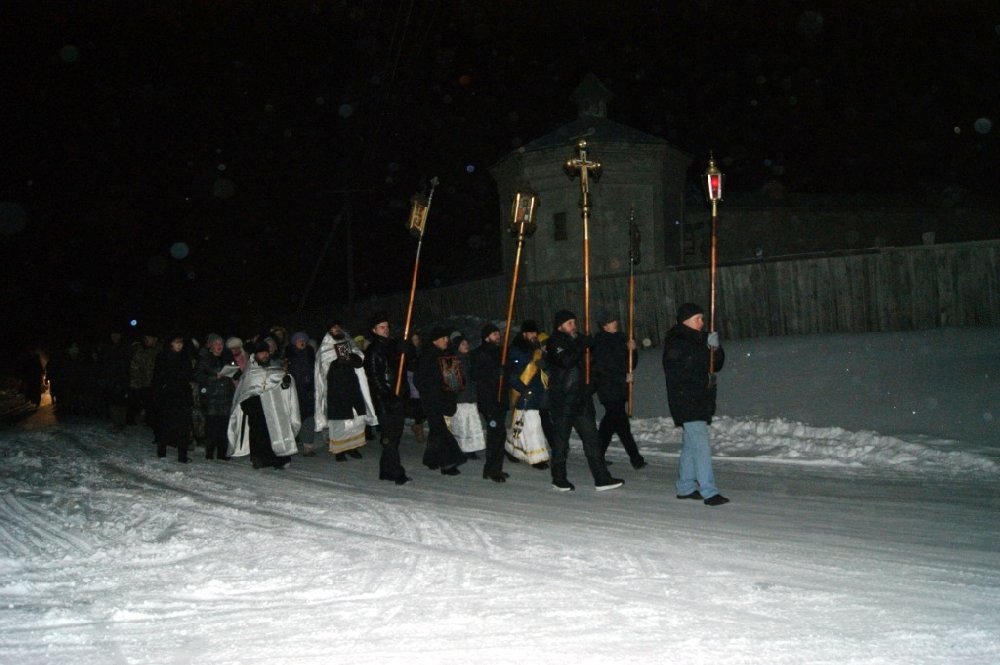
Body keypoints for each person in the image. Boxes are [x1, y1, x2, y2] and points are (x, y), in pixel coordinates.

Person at [545, 310, 623, 492]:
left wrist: (591, 386)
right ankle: (559, 478)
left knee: (592, 439)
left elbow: (594, 367)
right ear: (560, 326)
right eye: (569, 323)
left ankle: (602, 478)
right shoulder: (554, 342)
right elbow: (566, 360)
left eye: (574, 322)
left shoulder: (580, 340)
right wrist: (581, 346)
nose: (574, 325)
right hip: (563, 400)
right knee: (561, 441)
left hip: (582, 400)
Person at [662, 302, 729, 506]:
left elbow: (716, 365)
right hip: (686, 399)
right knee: (700, 445)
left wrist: (715, 349)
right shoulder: (676, 341)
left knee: (691, 446)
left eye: (702, 318)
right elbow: (684, 369)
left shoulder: (701, 339)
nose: (702, 322)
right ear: (686, 321)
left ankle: (685, 486)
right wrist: (704, 348)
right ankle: (709, 491)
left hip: (702, 397)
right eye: (697, 319)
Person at [228, 340, 299, 469]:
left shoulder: (276, 369)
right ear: (255, 355)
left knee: (276, 431)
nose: (265, 355)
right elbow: (243, 391)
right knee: (258, 433)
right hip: (256, 406)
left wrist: (286, 383)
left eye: (266, 353)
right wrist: (247, 404)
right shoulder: (250, 372)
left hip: (274, 406)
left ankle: (279, 458)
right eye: (261, 353)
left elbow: (283, 388)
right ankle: (259, 458)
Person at [315, 320, 376, 461]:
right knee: (339, 421)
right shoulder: (325, 346)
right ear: (329, 331)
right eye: (333, 328)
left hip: (351, 385)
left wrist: (352, 358)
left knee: (355, 418)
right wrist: (338, 361)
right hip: (336, 388)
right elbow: (323, 366)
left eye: (338, 327)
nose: (336, 329)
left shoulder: (348, 342)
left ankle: (352, 447)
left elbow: (359, 358)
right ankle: (340, 450)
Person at [593, 311, 646, 469]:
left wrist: (632, 350)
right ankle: (636, 459)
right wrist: (622, 377)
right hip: (608, 388)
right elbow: (604, 368)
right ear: (604, 326)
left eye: (615, 320)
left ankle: (597, 455)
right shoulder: (600, 342)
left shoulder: (622, 338)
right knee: (621, 424)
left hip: (620, 388)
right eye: (611, 321)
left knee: (610, 424)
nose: (615, 323)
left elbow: (631, 363)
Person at [363, 313, 411, 485]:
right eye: (382, 327)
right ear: (374, 330)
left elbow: (405, 364)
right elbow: (375, 377)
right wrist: (388, 396)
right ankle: (397, 472)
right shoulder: (373, 350)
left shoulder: (393, 346)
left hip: (398, 396)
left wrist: (407, 349)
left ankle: (385, 470)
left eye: (387, 326)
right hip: (385, 400)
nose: (386, 330)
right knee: (390, 436)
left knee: (395, 436)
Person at [414, 326, 467, 475]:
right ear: (434, 340)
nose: (446, 340)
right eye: (443, 338)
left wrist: (458, 381)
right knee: (440, 430)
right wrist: (432, 388)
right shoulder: (427, 356)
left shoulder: (447, 355)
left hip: (444, 399)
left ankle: (431, 459)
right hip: (432, 399)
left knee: (436, 431)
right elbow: (419, 379)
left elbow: (454, 381)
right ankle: (448, 463)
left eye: (446, 337)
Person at [504, 320, 551, 468]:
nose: (533, 335)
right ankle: (536, 459)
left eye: (535, 332)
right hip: (523, 391)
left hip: (537, 392)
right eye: (530, 332)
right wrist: (522, 389)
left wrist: (545, 363)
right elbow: (513, 373)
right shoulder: (516, 349)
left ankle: (511, 448)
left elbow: (545, 369)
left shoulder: (537, 348)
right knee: (532, 425)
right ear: (524, 334)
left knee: (521, 425)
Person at [471, 323, 509, 483]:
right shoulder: (479, 353)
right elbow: (475, 374)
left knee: (499, 434)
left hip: (500, 400)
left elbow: (508, 369)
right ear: (487, 337)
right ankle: (493, 470)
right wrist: (494, 372)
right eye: (494, 334)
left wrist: (505, 371)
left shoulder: (501, 352)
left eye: (498, 334)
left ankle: (492, 468)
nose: (498, 336)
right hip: (489, 401)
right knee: (496, 434)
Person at [152, 334, 194, 463]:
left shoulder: (185, 357)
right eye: (176, 342)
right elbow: (159, 375)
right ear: (171, 343)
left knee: (183, 425)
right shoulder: (163, 356)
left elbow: (189, 374)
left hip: (182, 395)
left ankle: (182, 455)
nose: (179, 345)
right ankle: (162, 449)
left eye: (181, 342)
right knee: (165, 423)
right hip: (168, 395)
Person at [194, 333, 237, 460]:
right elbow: (197, 376)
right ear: (210, 346)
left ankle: (222, 453)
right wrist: (214, 377)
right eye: (216, 344)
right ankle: (210, 452)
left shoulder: (227, 357)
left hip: (226, 397)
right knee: (212, 426)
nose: (219, 346)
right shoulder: (204, 359)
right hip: (211, 397)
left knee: (224, 426)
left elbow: (237, 373)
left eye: (221, 344)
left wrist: (234, 370)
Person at [450, 335, 486, 459]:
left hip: (471, 397)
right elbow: (452, 382)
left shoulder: (470, 359)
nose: (466, 346)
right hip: (460, 399)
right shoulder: (453, 361)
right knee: (462, 425)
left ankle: (471, 448)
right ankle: (460, 448)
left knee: (472, 424)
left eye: (466, 343)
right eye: (462, 344)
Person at [285, 331, 317, 455]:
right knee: (294, 415)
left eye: (303, 340)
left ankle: (308, 446)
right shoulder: (289, 356)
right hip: (294, 390)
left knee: (308, 417)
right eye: (299, 340)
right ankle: (293, 441)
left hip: (308, 389)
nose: (301, 342)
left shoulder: (310, 354)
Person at [129, 333, 161, 437]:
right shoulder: (140, 349)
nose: (146, 340)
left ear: (155, 339)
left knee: (152, 405)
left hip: (154, 384)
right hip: (140, 383)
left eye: (149, 338)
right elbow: (135, 367)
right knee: (137, 401)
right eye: (145, 338)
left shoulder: (160, 351)